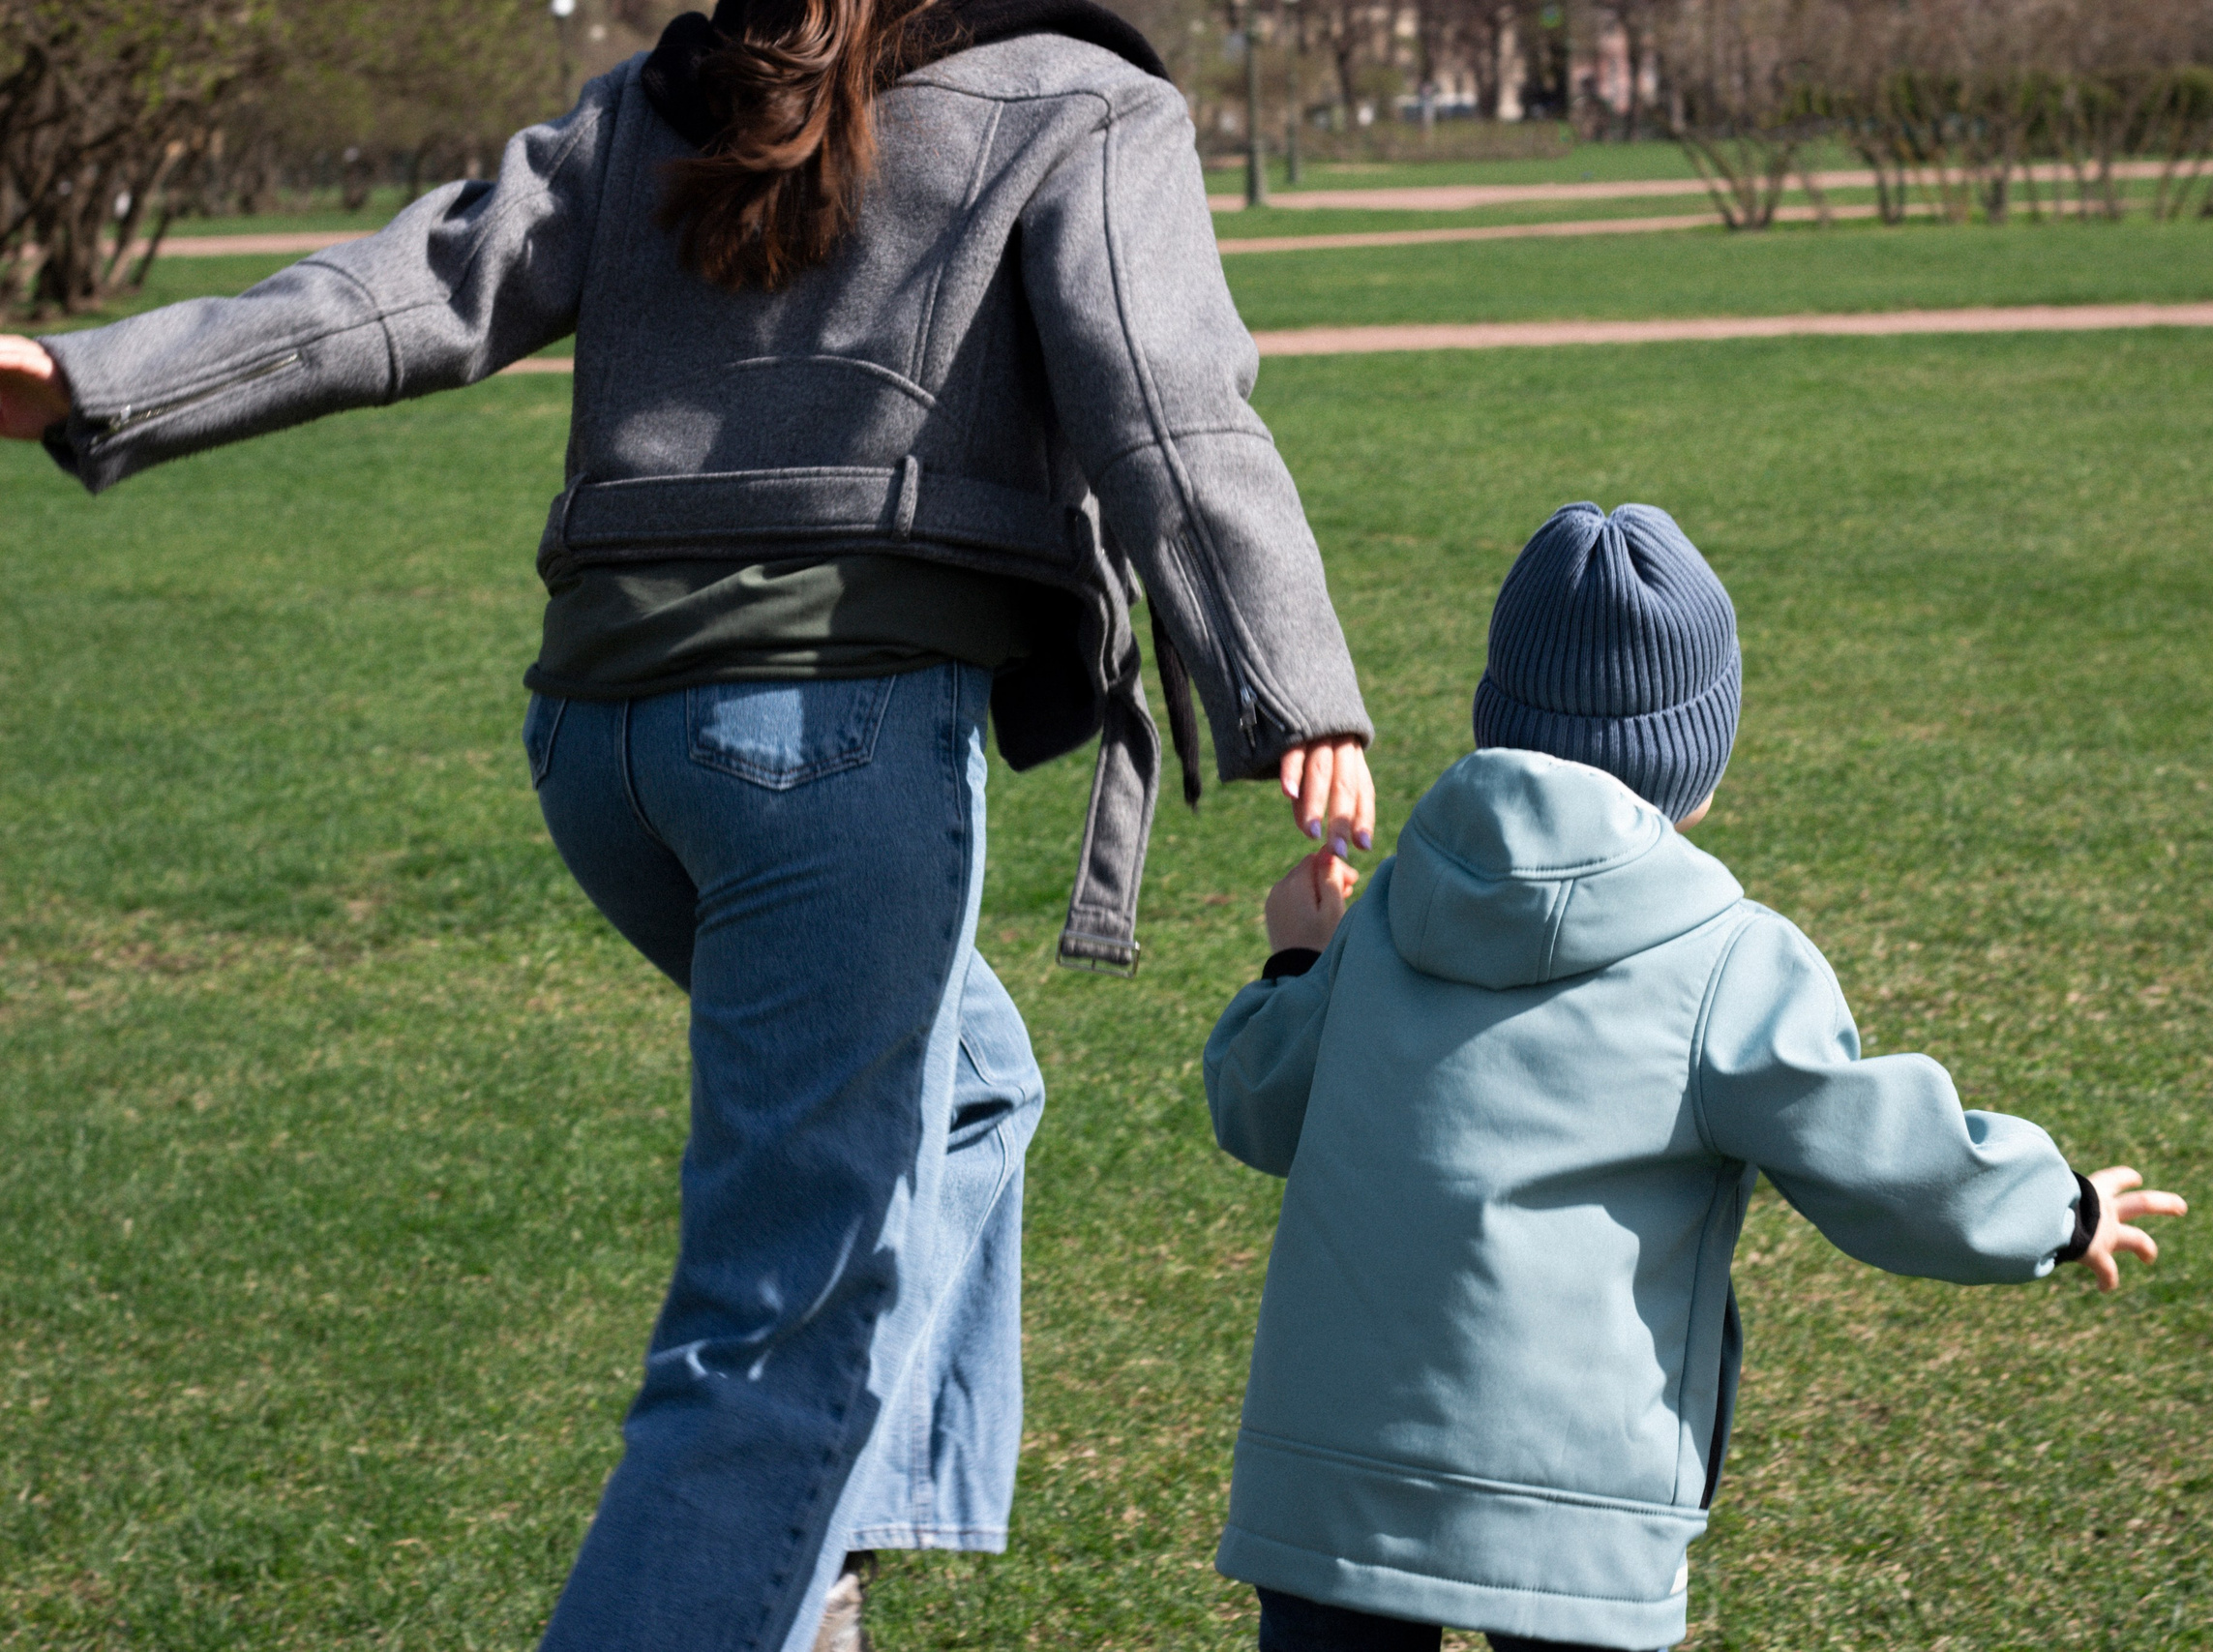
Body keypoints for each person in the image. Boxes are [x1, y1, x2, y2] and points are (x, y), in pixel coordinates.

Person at [0, 3, 1376, 1649]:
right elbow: (1168, 397)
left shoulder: (672, 96)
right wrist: (1296, 686)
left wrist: (89, 375)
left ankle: (810, 1563)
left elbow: (420, 283)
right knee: (775, 1335)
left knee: (971, 1083)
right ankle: (770, 1551)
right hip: (828, 742)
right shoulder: (1079, 100)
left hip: (603, 744)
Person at [1200, 501, 2185, 1652]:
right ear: (1698, 754)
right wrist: (2061, 1208)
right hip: (1572, 1506)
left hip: (1326, 1489)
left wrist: (1295, 959)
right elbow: (1885, 1158)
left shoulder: (1385, 922)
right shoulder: (1730, 959)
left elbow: (1260, 1105)